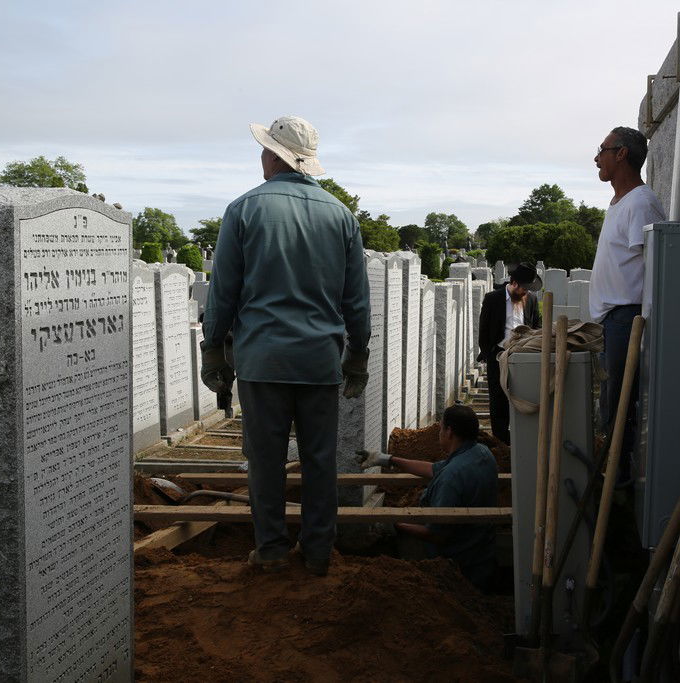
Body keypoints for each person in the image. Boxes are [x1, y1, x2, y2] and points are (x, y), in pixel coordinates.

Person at [202, 115, 371, 576]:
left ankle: (272, 550)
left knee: (265, 463)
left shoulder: (243, 209)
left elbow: (223, 292)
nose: (259, 156)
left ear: (276, 155)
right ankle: (318, 553)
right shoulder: (341, 215)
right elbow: (356, 299)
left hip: (262, 359)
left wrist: (213, 348)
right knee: (320, 462)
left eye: (263, 149)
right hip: (319, 361)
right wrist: (358, 355)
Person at [589, 126, 667, 479]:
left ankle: (615, 485)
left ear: (621, 154)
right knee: (610, 403)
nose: (596, 158)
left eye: (602, 150)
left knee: (619, 407)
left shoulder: (640, 202)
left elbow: (656, 269)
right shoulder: (620, 202)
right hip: (612, 320)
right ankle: (611, 478)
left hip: (627, 319)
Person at [359, 404, 499, 592]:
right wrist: (386, 459)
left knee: (391, 543)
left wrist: (395, 523)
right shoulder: (481, 453)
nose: (438, 432)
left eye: (441, 427)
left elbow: (436, 535)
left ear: (449, 432)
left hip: (458, 564)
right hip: (482, 553)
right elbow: (432, 469)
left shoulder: (451, 478)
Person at [476, 263, 542, 445]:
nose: (525, 293)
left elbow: (537, 326)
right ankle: (502, 443)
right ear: (513, 282)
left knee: (522, 396)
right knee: (498, 400)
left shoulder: (532, 300)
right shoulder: (492, 299)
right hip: (499, 355)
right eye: (523, 288)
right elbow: (484, 329)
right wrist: (489, 353)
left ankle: (522, 440)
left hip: (523, 355)